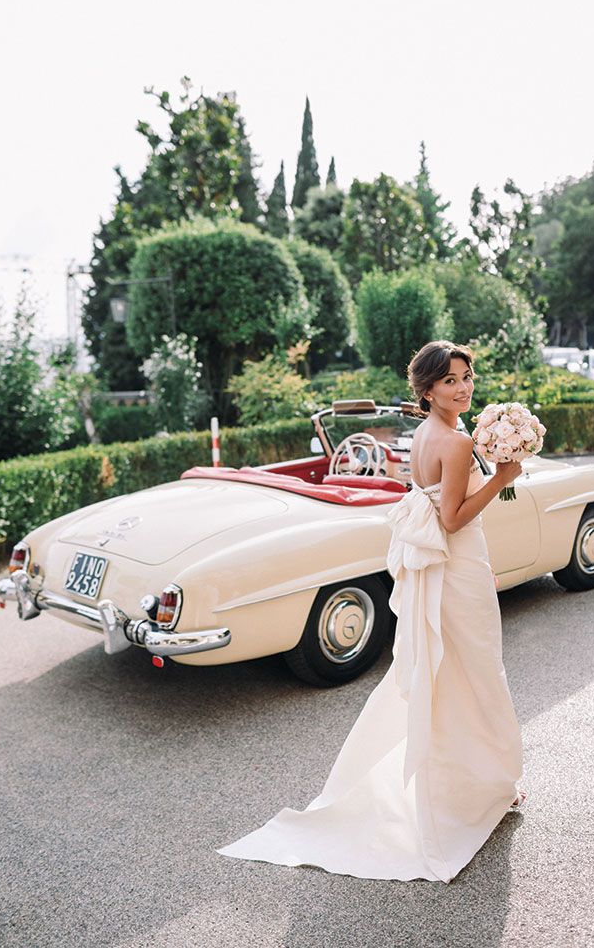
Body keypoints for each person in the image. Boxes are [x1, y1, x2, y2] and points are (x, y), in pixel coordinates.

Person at [216, 340, 525, 882]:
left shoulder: (428, 436)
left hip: (448, 572)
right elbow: (451, 520)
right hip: (457, 566)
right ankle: (478, 787)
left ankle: (473, 780)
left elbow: (429, 506)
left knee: (448, 676)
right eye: (450, 380)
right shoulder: (452, 442)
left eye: (467, 376)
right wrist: (501, 478)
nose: (463, 386)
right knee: (476, 675)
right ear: (427, 390)